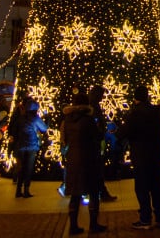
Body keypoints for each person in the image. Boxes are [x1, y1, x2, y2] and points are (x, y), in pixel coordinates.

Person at [117, 85, 160, 230]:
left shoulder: (135, 114)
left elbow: (123, 133)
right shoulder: (156, 112)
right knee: (156, 187)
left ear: (136, 97)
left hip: (141, 155)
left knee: (142, 187)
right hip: (155, 155)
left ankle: (145, 218)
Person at [61, 92, 106, 235]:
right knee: (93, 192)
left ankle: (73, 225)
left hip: (73, 159)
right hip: (88, 159)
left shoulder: (67, 120)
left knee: (75, 194)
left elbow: (65, 139)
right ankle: (93, 224)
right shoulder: (88, 120)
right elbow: (98, 136)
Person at [13, 100, 48, 198]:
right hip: (31, 145)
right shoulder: (35, 118)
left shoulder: (21, 118)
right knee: (28, 168)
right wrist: (46, 119)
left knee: (21, 168)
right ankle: (26, 190)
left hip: (20, 146)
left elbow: (15, 130)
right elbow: (44, 128)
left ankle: (18, 190)